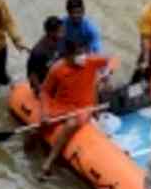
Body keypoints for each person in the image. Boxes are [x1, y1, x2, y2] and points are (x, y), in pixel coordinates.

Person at [38, 42, 110, 180]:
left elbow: (113, 60)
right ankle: (32, 147)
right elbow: (45, 92)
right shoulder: (57, 69)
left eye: (83, 53)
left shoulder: (91, 61)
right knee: (41, 125)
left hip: (84, 106)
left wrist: (107, 73)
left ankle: (49, 161)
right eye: (78, 54)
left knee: (71, 124)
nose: (82, 57)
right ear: (68, 56)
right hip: (62, 105)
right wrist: (44, 112)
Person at [27, 16, 64, 94]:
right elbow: (32, 74)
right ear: (51, 33)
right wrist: (40, 91)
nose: (63, 32)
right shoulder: (39, 51)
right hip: (43, 84)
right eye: (60, 31)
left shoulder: (59, 42)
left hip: (55, 78)